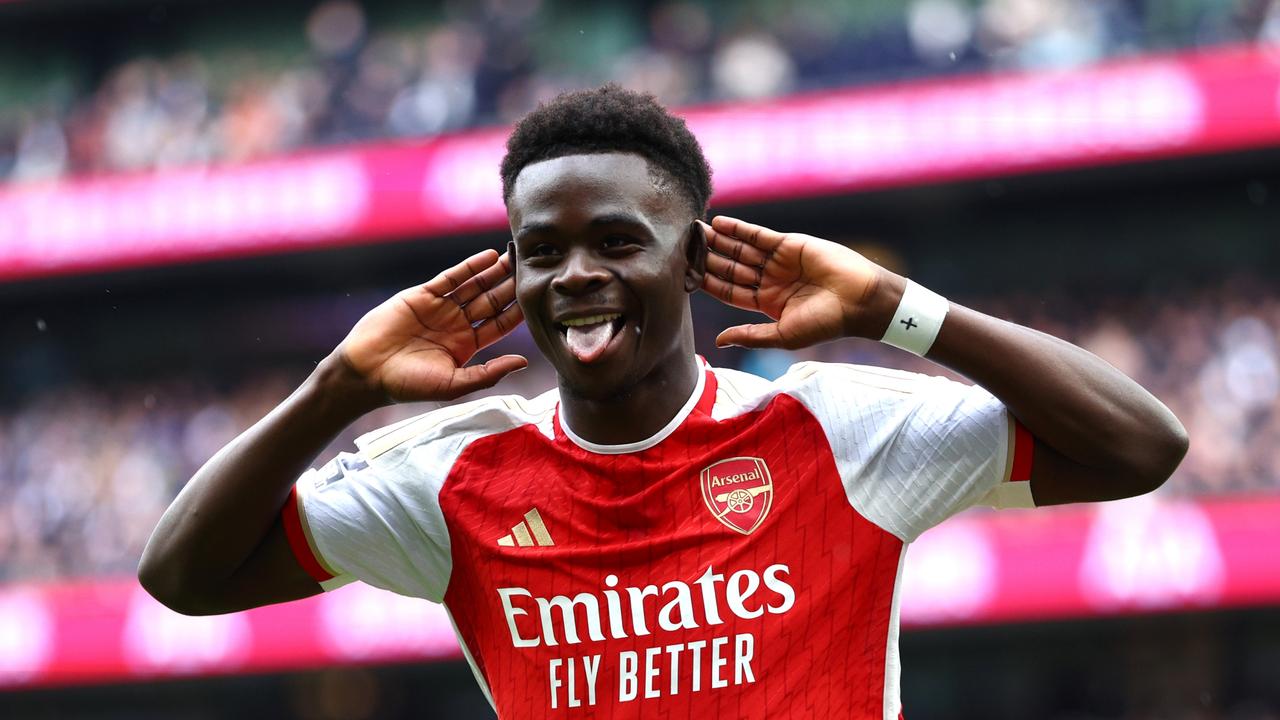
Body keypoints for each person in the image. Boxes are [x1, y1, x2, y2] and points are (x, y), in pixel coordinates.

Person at [139, 84, 1187, 719]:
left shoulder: (832, 431)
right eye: (538, 252)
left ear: (691, 258)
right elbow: (184, 575)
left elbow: (1138, 446)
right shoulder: (452, 479)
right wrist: (339, 390)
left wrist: (895, 309)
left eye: (615, 241)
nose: (574, 275)